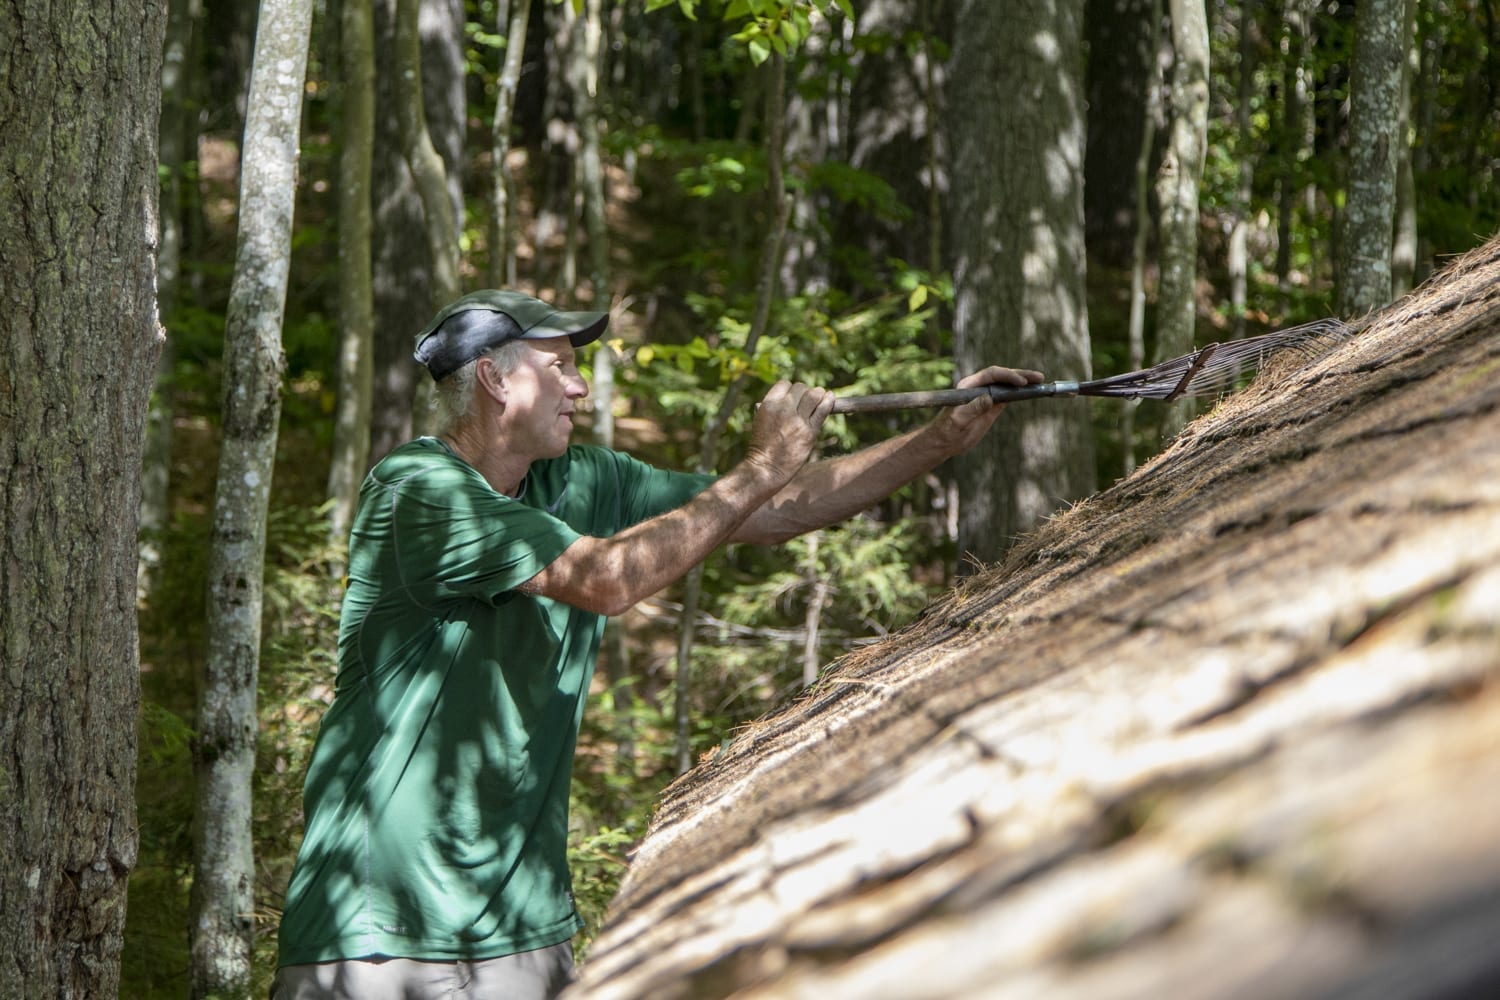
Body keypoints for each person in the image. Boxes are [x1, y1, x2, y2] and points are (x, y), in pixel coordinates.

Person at [272, 289, 1043, 999]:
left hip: (523, 928)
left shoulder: (579, 480)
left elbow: (765, 511)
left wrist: (938, 440)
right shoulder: (420, 488)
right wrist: (764, 464)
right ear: (494, 380)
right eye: (562, 368)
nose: (581, 388)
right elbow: (607, 578)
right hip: (380, 929)